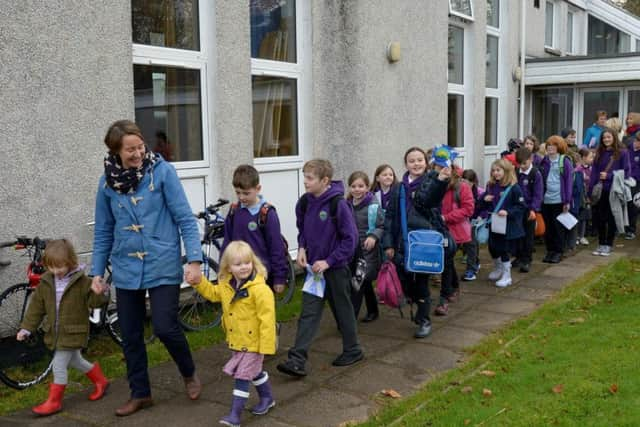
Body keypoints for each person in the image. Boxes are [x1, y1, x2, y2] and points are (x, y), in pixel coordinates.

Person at [91, 120, 203, 416]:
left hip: (162, 261)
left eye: (140, 146)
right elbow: (103, 231)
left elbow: (185, 219)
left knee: (166, 327)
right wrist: (97, 273)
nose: (138, 153)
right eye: (130, 149)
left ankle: (189, 371)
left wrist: (194, 260)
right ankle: (140, 393)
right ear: (115, 151)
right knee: (130, 335)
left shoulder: (162, 171)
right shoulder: (106, 184)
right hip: (126, 266)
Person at [277, 159, 362, 377]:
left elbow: (350, 240)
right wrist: (302, 248)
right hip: (314, 272)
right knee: (309, 312)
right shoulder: (304, 203)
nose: (305, 181)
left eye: (309, 178)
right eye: (304, 176)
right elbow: (302, 229)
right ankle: (297, 360)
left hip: (335, 269)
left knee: (343, 310)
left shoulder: (338, 204)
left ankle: (353, 350)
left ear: (325, 181)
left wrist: (329, 261)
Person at [185, 241, 276, 426]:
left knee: (242, 376)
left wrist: (265, 347)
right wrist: (199, 282)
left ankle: (235, 415)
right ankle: (267, 398)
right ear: (228, 267)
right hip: (236, 340)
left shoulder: (260, 290)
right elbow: (212, 293)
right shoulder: (227, 286)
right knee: (254, 372)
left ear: (253, 262)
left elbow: (267, 321)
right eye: (237, 264)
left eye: (246, 262)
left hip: (255, 343)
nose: (243, 267)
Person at [18, 239, 108, 416]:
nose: (56, 271)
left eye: (60, 267)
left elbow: (95, 302)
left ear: (70, 262)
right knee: (75, 360)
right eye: (52, 267)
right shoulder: (45, 283)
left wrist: (101, 292)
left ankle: (54, 402)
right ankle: (101, 381)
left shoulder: (82, 282)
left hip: (74, 331)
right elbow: (36, 308)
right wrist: (26, 328)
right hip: (56, 332)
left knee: (58, 365)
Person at [382, 147, 451, 337]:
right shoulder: (398, 187)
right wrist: (388, 243)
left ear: (426, 162)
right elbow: (390, 217)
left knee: (421, 283)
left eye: (420, 160)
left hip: (423, 242)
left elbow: (428, 200)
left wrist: (440, 180)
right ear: (406, 164)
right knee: (404, 282)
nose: (416, 164)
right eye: (412, 161)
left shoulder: (432, 180)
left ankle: (424, 320)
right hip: (401, 242)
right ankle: (418, 305)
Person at [223, 164, 288, 294]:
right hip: (238, 276)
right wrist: (224, 269)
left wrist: (279, 277)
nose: (241, 197)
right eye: (238, 193)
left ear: (258, 189)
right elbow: (227, 242)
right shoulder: (234, 211)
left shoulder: (267, 214)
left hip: (261, 276)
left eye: (246, 193)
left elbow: (276, 247)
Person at [438, 150, 474, 314]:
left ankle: (445, 297)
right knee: (447, 261)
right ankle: (453, 288)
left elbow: (468, 209)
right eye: (437, 167)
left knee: (446, 260)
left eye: (444, 167)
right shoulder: (432, 184)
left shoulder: (462, 186)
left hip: (454, 230)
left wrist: (446, 217)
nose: (441, 170)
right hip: (437, 230)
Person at [481, 159, 526, 287]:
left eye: (498, 170)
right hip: (493, 222)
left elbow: (521, 206)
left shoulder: (514, 187)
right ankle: (498, 268)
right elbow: (481, 204)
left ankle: (507, 275)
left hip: (507, 225)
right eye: (493, 170)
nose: (495, 173)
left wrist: (508, 212)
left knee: (504, 249)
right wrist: (485, 199)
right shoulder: (490, 185)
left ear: (506, 171)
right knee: (493, 247)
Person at [346, 171, 384, 322]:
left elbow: (382, 225)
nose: (357, 189)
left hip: (367, 250)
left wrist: (374, 236)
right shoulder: (346, 205)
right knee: (365, 282)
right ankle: (373, 311)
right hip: (351, 250)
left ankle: (349, 320)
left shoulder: (373, 206)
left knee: (357, 283)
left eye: (361, 186)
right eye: (353, 186)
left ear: (367, 187)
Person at [589, 128, 631, 256]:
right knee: (600, 218)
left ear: (614, 137)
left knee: (611, 217)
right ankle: (601, 244)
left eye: (608, 137)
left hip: (613, 190)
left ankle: (609, 244)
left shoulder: (622, 153)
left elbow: (626, 172)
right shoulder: (599, 152)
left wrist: (609, 176)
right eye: (604, 138)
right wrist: (591, 189)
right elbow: (594, 172)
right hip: (600, 190)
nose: (606, 140)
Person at [539, 135, 574, 264]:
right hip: (546, 200)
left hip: (559, 200)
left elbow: (569, 182)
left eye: (553, 145)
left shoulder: (565, 161)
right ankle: (550, 251)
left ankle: (558, 252)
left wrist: (567, 201)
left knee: (558, 227)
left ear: (559, 147)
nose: (550, 147)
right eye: (548, 145)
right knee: (548, 228)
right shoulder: (544, 161)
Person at [514, 148, 543, 273]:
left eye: (524, 163)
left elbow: (538, 194)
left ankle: (527, 259)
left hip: (529, 210)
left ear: (531, 159)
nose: (522, 166)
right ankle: (518, 257)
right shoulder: (516, 172)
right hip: (517, 209)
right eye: (519, 164)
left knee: (528, 236)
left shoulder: (535, 174)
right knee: (517, 235)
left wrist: (533, 209)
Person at [461, 169, 484, 281]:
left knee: (471, 244)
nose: (464, 185)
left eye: (467, 183)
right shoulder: (458, 191)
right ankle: (476, 262)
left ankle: (471, 269)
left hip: (474, 221)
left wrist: (480, 216)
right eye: (462, 182)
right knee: (467, 245)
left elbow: (484, 206)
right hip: (462, 221)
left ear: (473, 182)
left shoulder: (479, 193)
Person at [575, 148, 595, 245]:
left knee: (584, 217)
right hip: (579, 197)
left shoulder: (591, 169)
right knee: (577, 217)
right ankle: (575, 237)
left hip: (587, 197)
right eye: (590, 157)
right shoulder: (578, 169)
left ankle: (582, 236)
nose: (592, 159)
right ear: (583, 157)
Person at [625, 133, 640, 240]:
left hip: (637, 182)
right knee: (624, 204)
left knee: (634, 206)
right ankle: (621, 228)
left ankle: (631, 230)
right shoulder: (627, 150)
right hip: (625, 181)